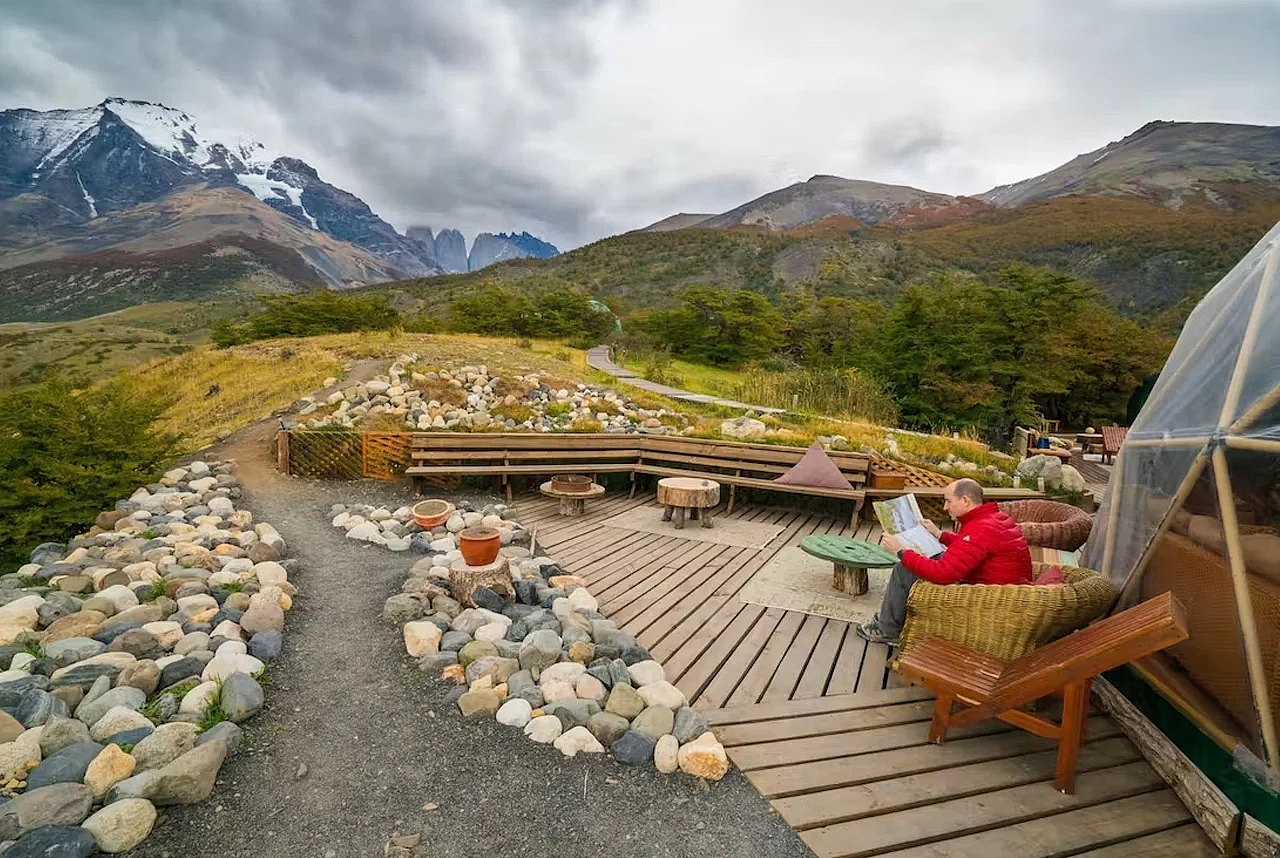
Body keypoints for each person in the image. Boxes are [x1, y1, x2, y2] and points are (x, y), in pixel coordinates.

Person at [855, 478, 1032, 646]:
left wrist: (901, 551)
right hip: (1004, 589)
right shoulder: (994, 519)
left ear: (965, 501)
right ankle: (898, 619)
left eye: (948, 501)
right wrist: (940, 535)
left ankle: (887, 629)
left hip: (988, 598)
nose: (945, 507)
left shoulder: (980, 528)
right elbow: (973, 548)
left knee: (904, 568)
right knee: (928, 556)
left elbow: (943, 574)